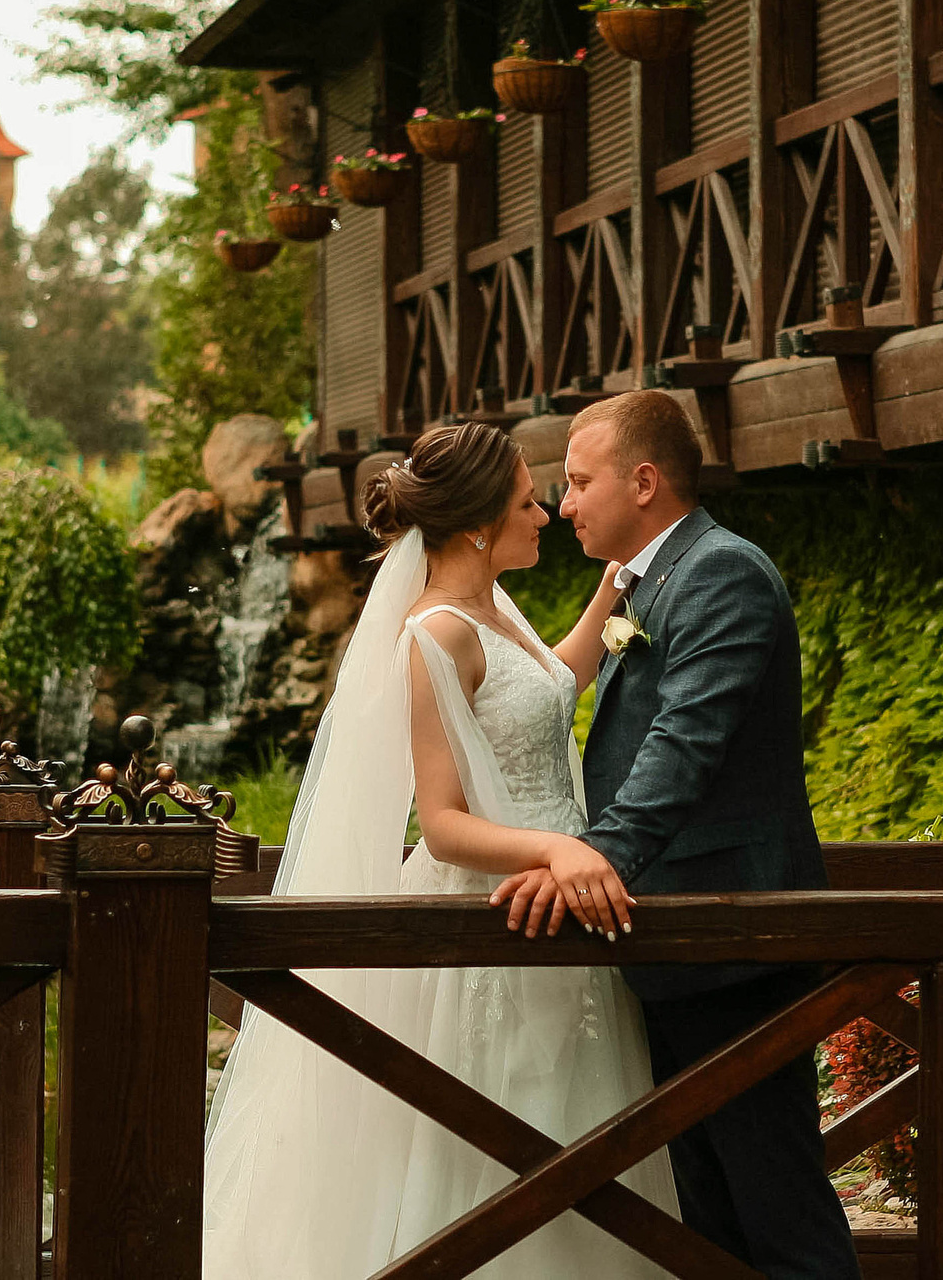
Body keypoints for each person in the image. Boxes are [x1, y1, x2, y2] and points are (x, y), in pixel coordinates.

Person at [200, 421, 679, 1279]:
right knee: (498, 1130)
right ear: (474, 526)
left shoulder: (496, 608)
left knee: (574, 1123)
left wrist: (611, 595)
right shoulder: (434, 633)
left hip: (565, 897)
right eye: (527, 502)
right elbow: (446, 820)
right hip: (495, 912)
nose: (545, 515)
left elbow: (548, 688)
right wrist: (556, 853)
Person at [493, 389, 858, 1280]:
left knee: (780, 1212)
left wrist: (595, 857)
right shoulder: (652, 578)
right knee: (711, 1213)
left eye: (579, 483)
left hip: (736, 943)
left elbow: (685, 742)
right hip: (677, 939)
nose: (565, 502)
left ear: (645, 481)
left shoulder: (720, 574)